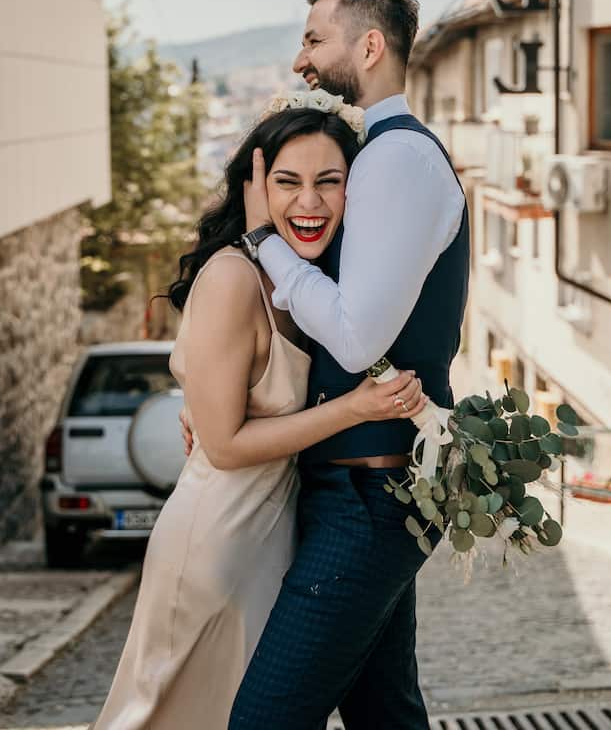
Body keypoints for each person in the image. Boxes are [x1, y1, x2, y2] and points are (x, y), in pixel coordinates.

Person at [91, 106, 426, 730]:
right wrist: (356, 408)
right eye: (287, 182)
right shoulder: (232, 278)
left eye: (329, 181)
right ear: (255, 190)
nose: (310, 202)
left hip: (274, 536)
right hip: (217, 539)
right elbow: (224, 445)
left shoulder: (309, 282)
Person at [227, 0, 470, 729]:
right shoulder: (379, 154)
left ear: (369, 47)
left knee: (264, 719)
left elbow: (359, 335)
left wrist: (265, 242)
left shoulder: (397, 158)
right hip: (369, 487)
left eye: (313, 39)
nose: (300, 59)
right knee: (384, 714)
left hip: (372, 495)